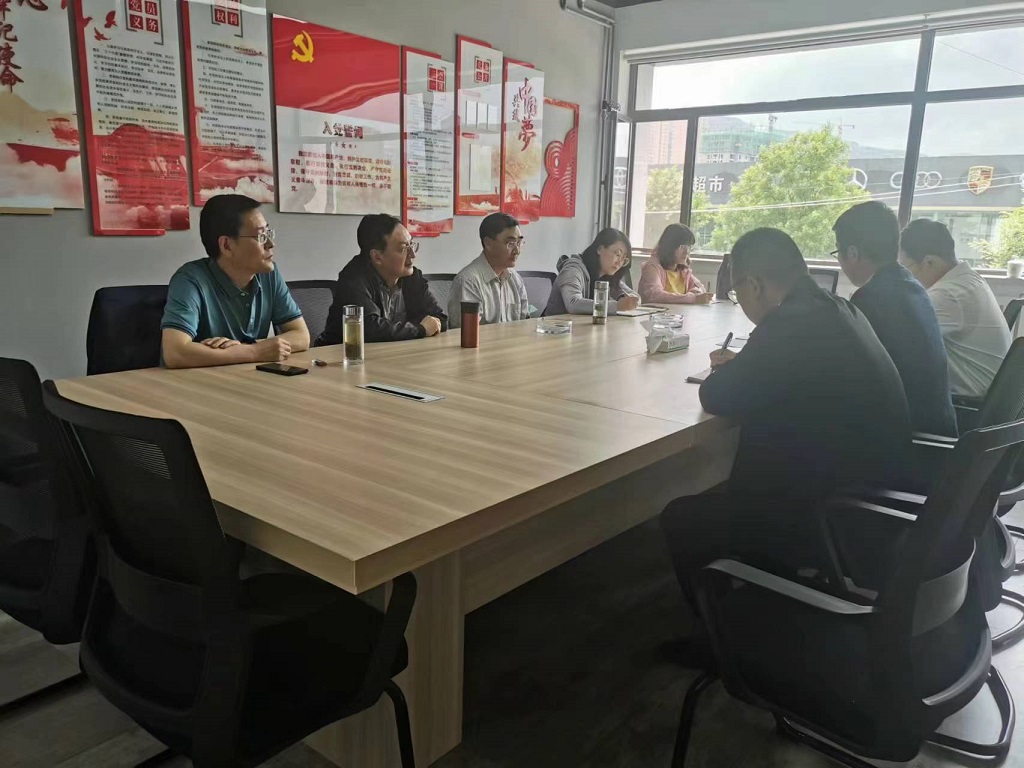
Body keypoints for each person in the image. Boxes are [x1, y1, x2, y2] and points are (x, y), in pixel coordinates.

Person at [660, 228, 911, 666]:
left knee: (682, 517)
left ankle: (723, 645)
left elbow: (716, 395)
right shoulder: (836, 308)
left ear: (754, 284)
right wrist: (751, 364)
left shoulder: (789, 327)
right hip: (873, 496)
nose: (741, 301)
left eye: (737, 292)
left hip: (832, 514)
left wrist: (735, 370)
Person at [833, 202, 957, 436]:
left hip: (912, 440)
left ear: (852, 253)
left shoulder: (871, 299)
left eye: (838, 252)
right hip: (936, 431)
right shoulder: (912, 287)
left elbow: (843, 375)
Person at [161, 194, 309, 369]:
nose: (270, 243)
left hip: (244, 376)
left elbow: (301, 336)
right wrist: (255, 352)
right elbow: (175, 352)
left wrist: (247, 348)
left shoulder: (269, 274)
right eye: (260, 236)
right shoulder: (190, 280)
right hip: (194, 382)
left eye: (268, 233)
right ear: (226, 245)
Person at [899, 219, 1011, 399]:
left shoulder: (948, 294)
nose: (907, 276)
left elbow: (896, 340)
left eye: (906, 268)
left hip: (968, 405)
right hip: (991, 399)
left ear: (929, 262)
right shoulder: (968, 279)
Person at [317, 214, 447, 345]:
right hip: (342, 354)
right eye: (403, 248)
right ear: (377, 257)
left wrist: (418, 328)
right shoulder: (353, 279)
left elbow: (439, 319)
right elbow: (369, 328)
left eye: (411, 245)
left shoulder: (412, 277)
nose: (412, 255)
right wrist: (419, 330)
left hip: (392, 352)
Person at [448, 213, 531, 328]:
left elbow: (524, 324)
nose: (517, 251)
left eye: (519, 243)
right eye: (511, 243)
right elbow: (465, 333)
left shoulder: (515, 279)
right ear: (488, 243)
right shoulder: (468, 281)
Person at [542, 228, 640, 316]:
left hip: (582, 328)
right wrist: (617, 306)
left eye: (623, 258)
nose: (619, 262)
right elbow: (573, 304)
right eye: (617, 254)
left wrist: (625, 299)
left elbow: (635, 297)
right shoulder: (573, 269)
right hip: (555, 327)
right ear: (599, 249)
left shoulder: (606, 275)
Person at [638, 224, 713, 305]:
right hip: (658, 313)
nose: (686, 252)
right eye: (682, 247)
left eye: (689, 247)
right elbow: (654, 295)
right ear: (670, 246)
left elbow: (700, 288)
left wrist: (695, 293)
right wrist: (692, 298)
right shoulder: (652, 267)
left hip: (679, 312)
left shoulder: (683, 270)